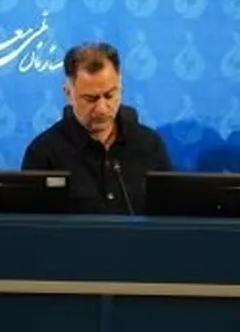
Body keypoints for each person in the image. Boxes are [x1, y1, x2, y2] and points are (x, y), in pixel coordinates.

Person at [22, 42, 171, 214]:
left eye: (109, 95)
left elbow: (168, 216)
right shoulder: (44, 153)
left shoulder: (149, 145)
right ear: (68, 93)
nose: (101, 109)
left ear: (120, 87)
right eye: (90, 99)